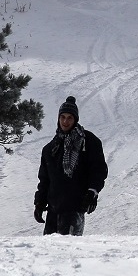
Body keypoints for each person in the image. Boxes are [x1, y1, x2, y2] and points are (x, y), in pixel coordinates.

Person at [34, 96, 109, 236]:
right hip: (53, 209)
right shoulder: (50, 149)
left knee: (68, 253)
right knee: (46, 254)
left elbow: (98, 170)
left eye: (69, 118)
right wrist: (39, 203)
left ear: (75, 119)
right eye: (62, 117)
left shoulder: (88, 141)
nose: (65, 121)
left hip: (75, 207)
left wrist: (92, 192)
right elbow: (44, 180)